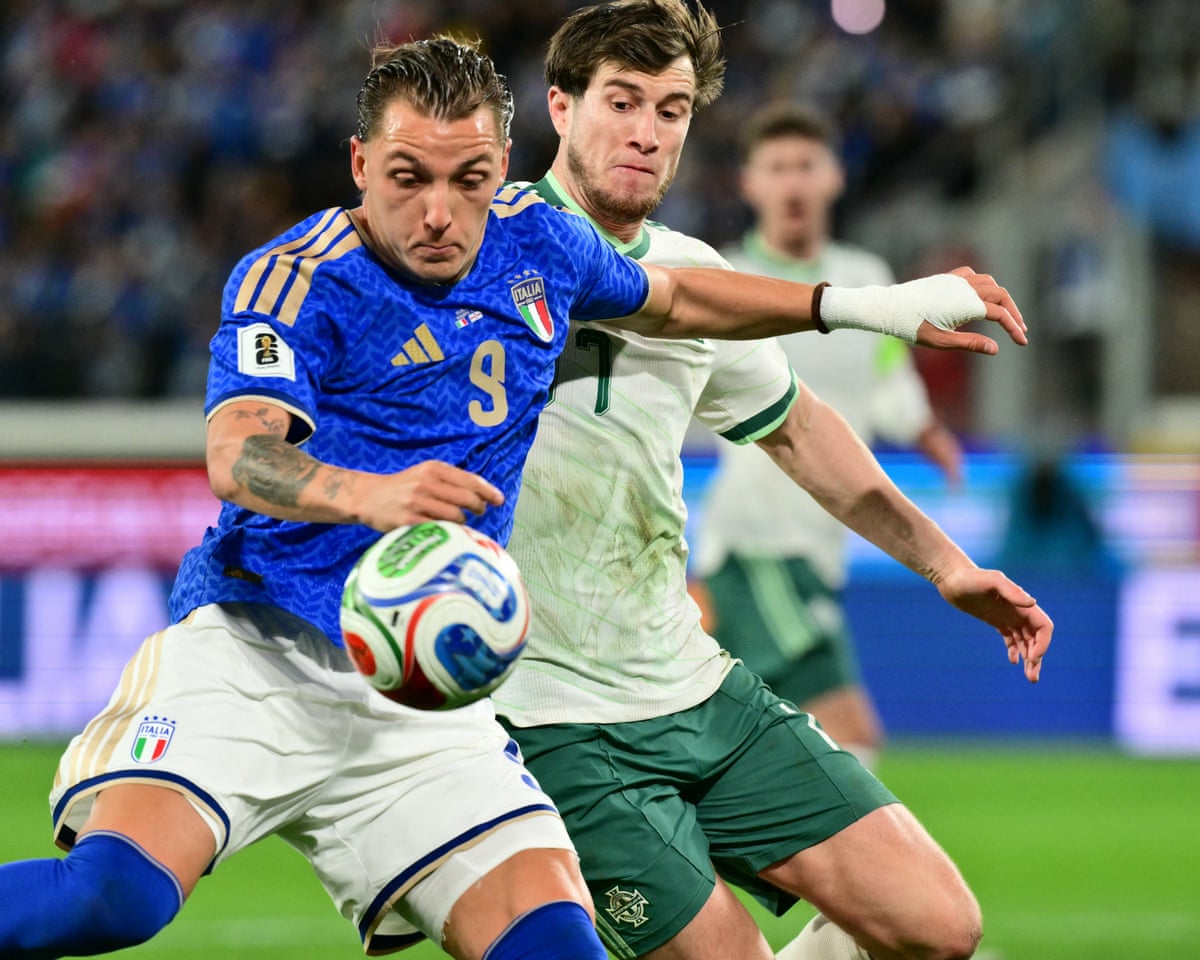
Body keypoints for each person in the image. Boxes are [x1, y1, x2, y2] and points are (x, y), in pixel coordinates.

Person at [0, 33, 1032, 960]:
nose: (442, 211)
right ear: (362, 165)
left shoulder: (539, 246)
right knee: (113, 903)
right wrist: (369, 496)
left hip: (430, 704)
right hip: (262, 654)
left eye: (471, 179)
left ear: (500, 171)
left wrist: (867, 307)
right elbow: (238, 455)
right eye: (408, 178)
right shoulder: (294, 277)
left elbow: (680, 300)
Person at [491, 4, 1052, 960]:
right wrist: (876, 307)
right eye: (621, 102)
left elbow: (799, 430)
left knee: (938, 925)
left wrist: (946, 565)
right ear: (559, 106)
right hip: (549, 715)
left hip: (690, 685)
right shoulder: (487, 244)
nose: (645, 132)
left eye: (671, 111)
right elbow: (664, 304)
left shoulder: (690, 265)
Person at [695, 102, 964, 772]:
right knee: (850, 731)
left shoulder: (866, 279)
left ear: (834, 178)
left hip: (820, 545)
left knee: (737, 745)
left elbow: (885, 378)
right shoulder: (721, 280)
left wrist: (925, 428)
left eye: (805, 165)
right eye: (776, 167)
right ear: (750, 185)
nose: (792, 182)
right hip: (760, 543)